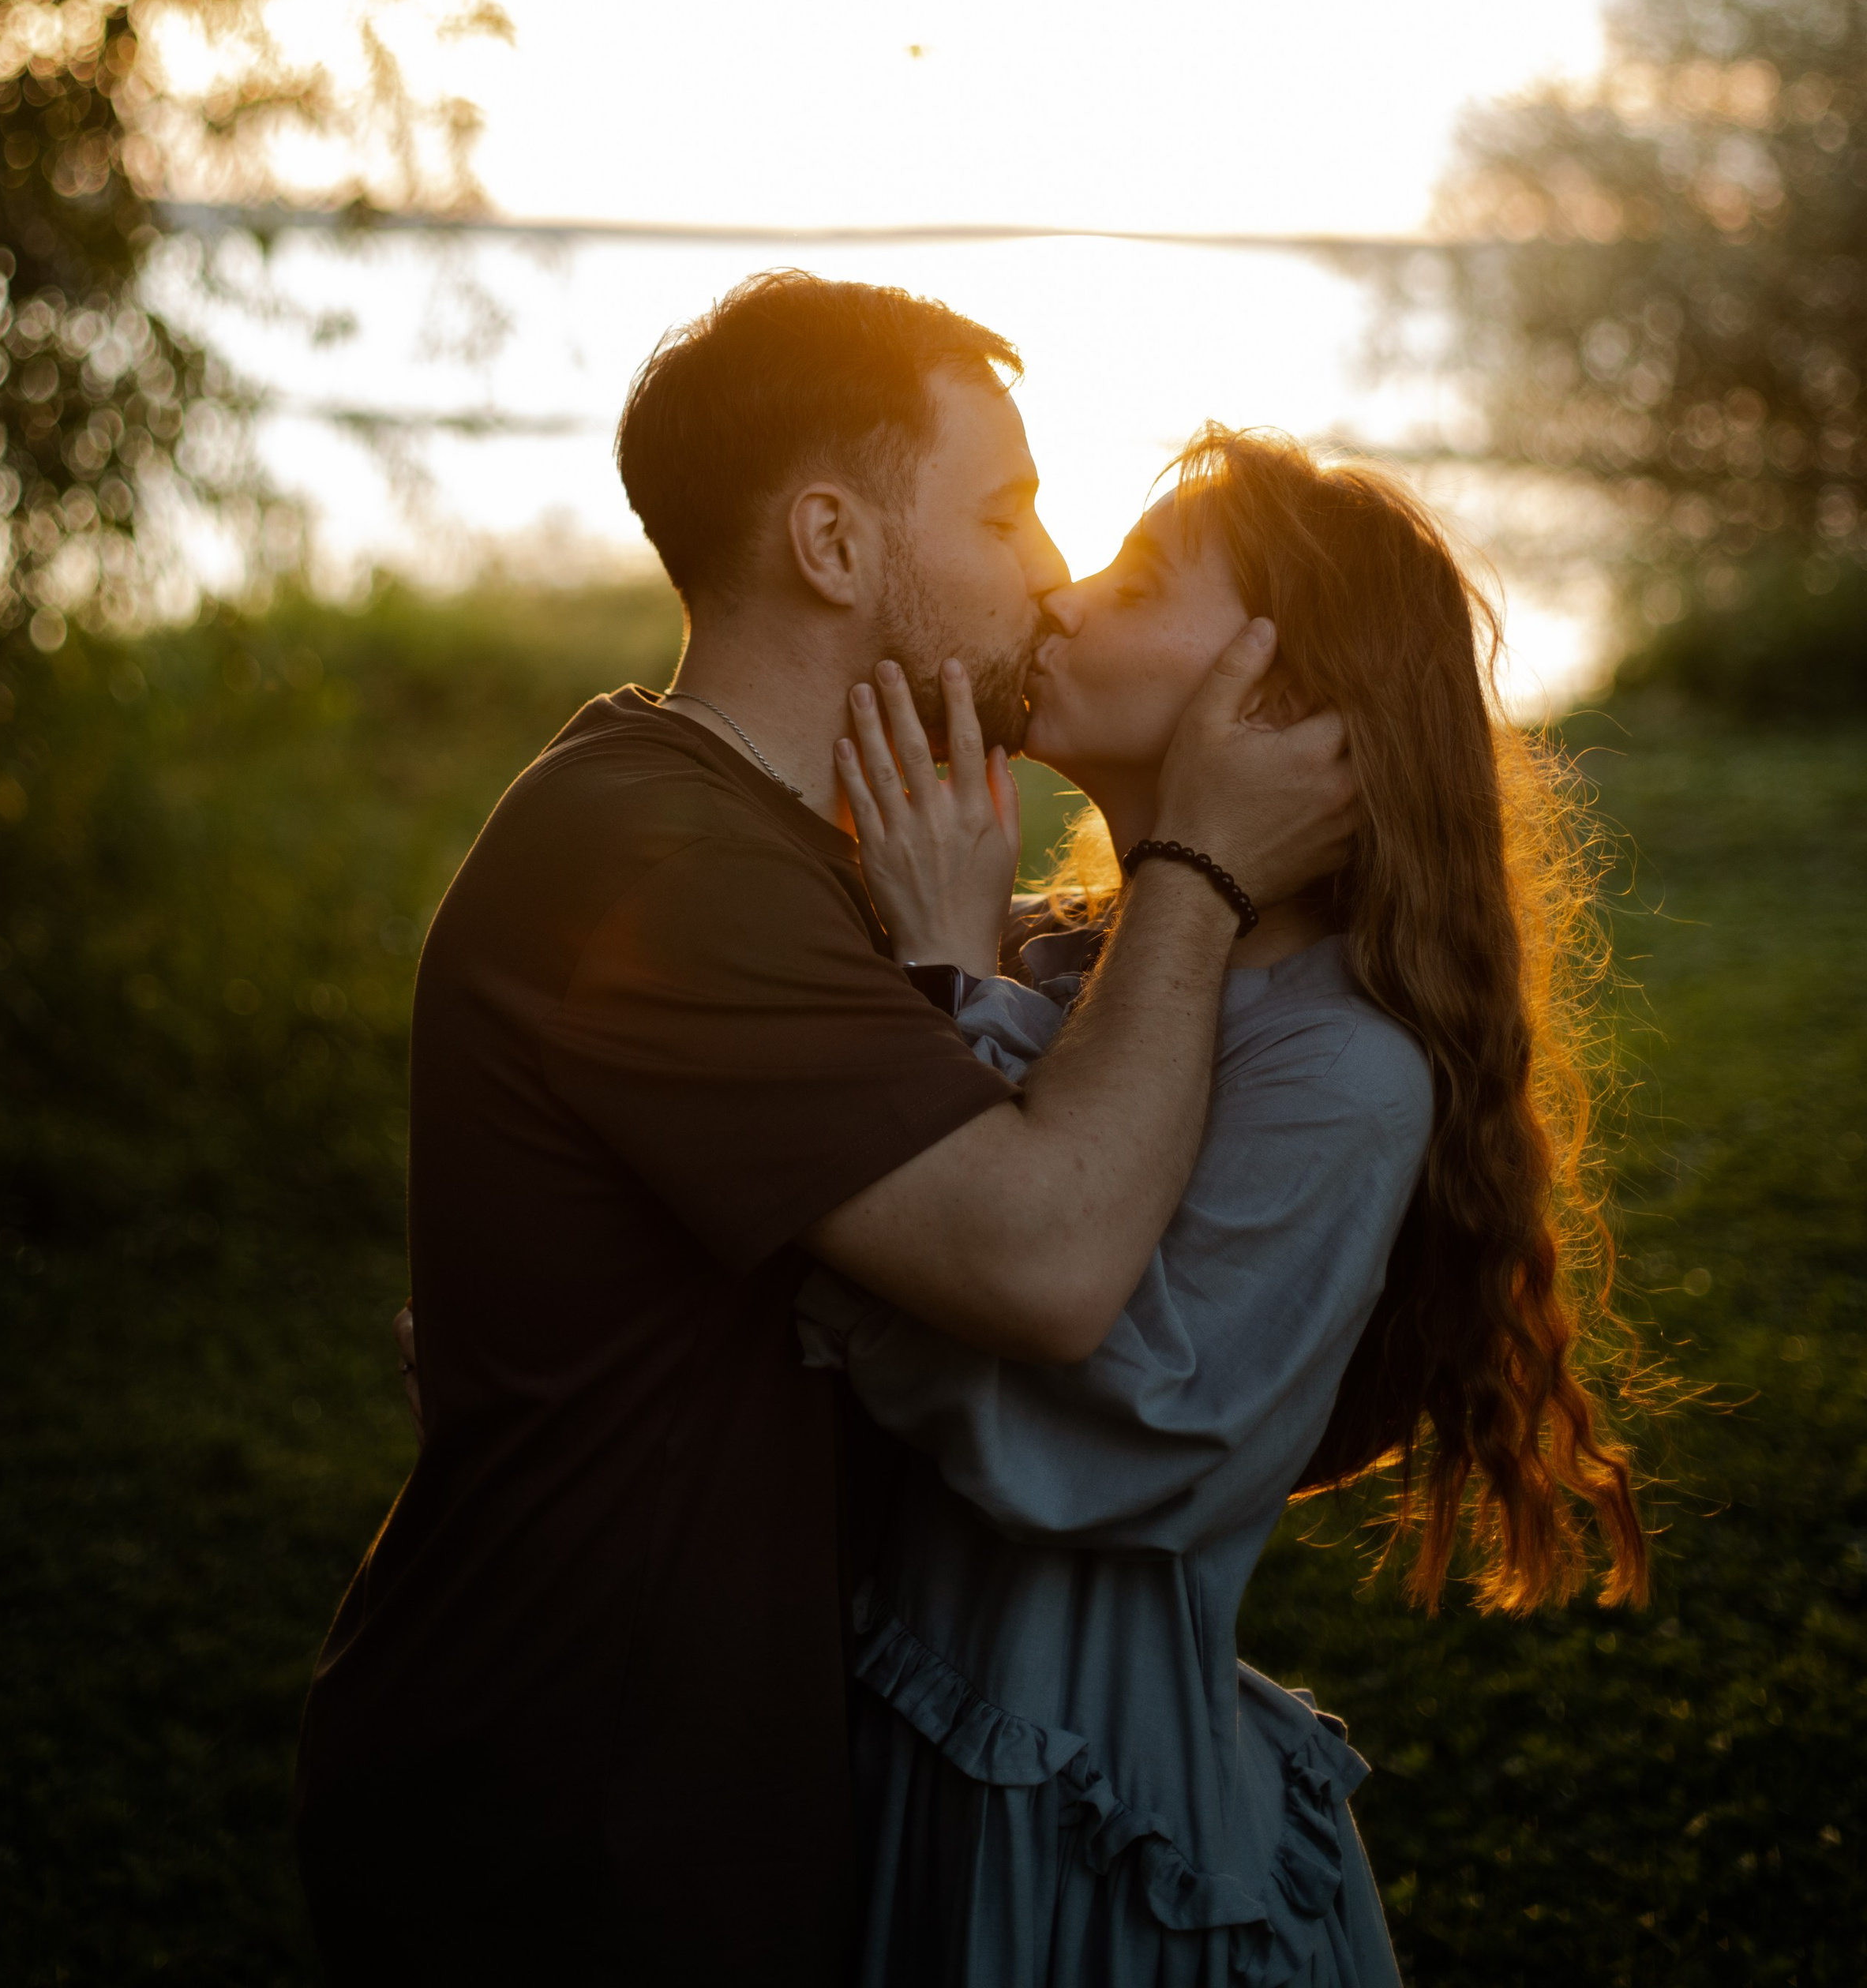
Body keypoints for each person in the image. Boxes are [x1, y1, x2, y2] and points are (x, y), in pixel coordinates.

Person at [294, 280, 1356, 1988]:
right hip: (569, 1823)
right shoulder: (659, 862)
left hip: (726, 1792)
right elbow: (1048, 1257)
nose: (1045, 568)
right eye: (1003, 509)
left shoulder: (793, 857)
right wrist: (1202, 864)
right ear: (831, 542)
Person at [801, 425, 1650, 1987]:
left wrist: (935, 1001)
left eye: (1132, 581)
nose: (1056, 595)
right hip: (880, 1747)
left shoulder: (1338, 1067)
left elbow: (1126, 1438)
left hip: (1075, 1825)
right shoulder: (1062, 960)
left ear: (1281, 701)